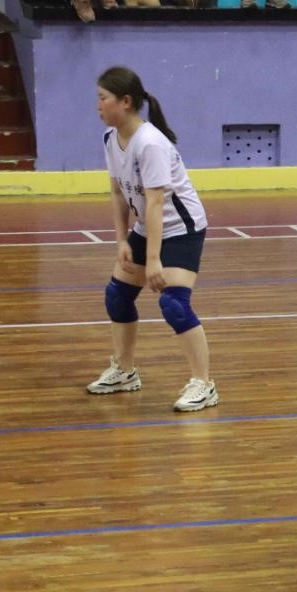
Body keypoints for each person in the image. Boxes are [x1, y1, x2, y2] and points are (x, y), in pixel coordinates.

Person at [88, 67, 219, 414]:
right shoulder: (111, 139)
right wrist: (122, 241)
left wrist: (154, 260)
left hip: (182, 229)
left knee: (174, 304)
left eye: (103, 98)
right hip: (148, 227)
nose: (97, 105)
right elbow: (118, 193)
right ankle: (125, 371)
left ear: (125, 102)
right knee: (118, 295)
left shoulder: (150, 143)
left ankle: (204, 384)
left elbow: (157, 203)